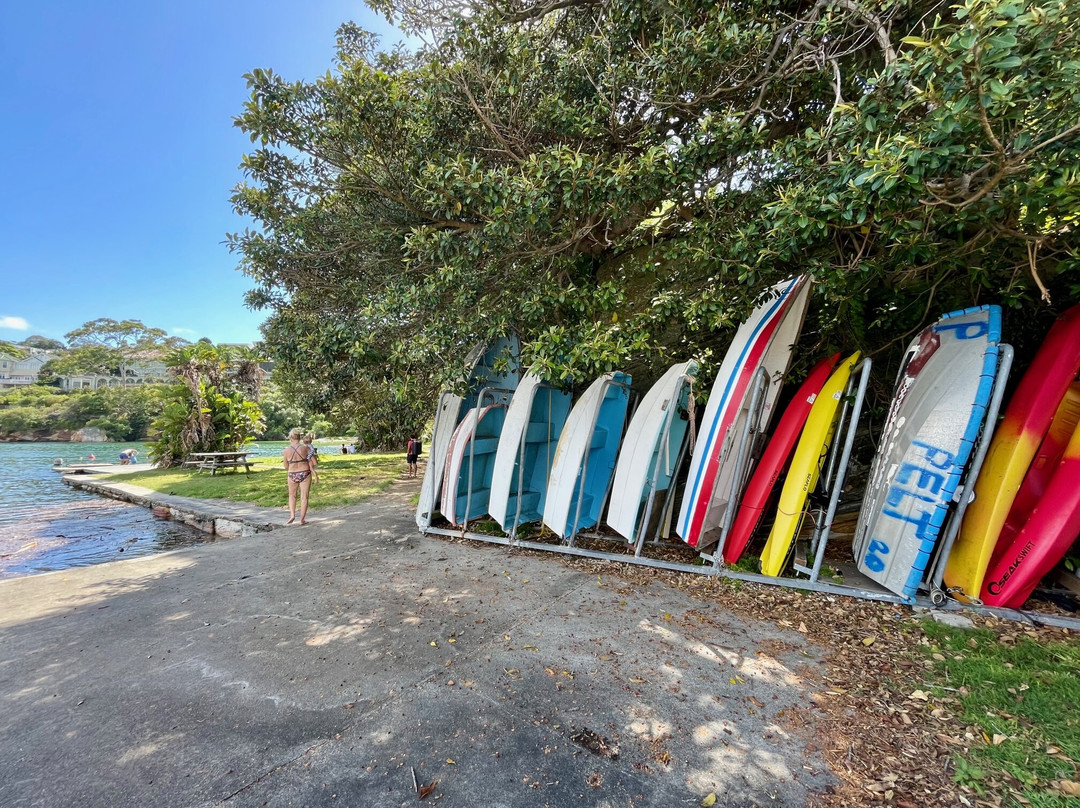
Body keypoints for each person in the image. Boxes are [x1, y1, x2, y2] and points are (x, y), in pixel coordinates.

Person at [283, 428, 317, 525]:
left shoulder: (286, 451)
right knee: (304, 497)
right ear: (299, 437)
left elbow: (286, 466)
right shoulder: (306, 448)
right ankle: (302, 520)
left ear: (290, 438)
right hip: (305, 473)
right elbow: (314, 462)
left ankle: (292, 515)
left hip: (292, 474)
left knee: (292, 495)